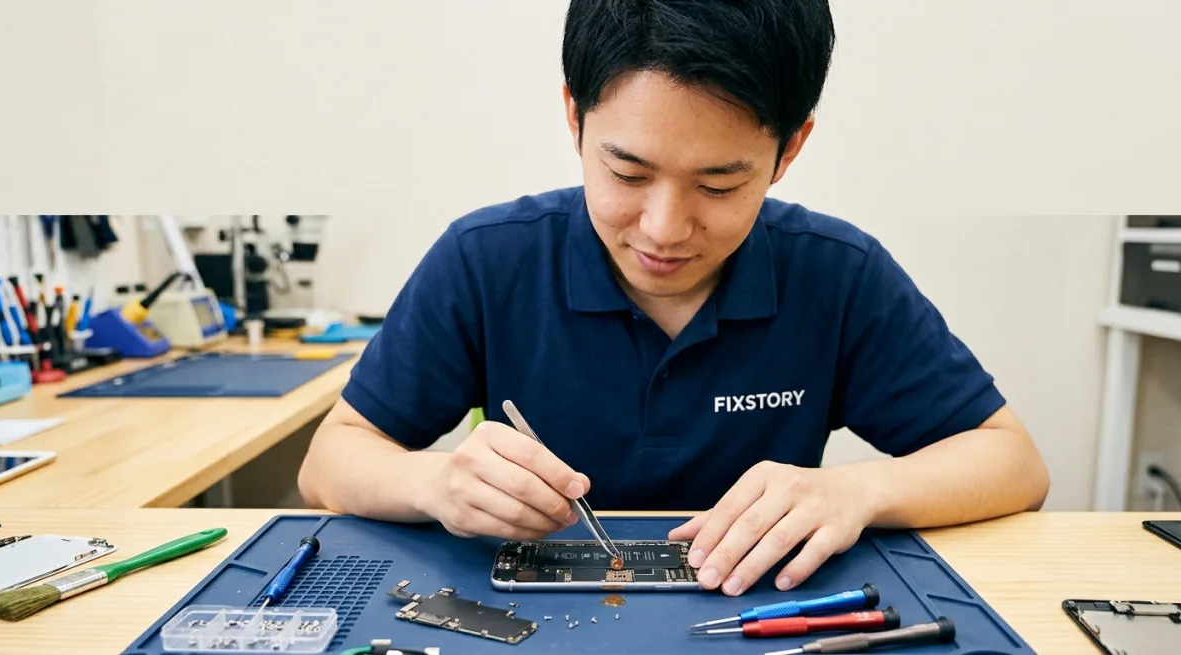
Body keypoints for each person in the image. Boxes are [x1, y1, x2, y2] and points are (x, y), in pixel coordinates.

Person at [298, 0, 1050, 598]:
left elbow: (1013, 461)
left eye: (719, 185)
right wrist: (432, 481)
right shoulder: (487, 259)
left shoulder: (836, 274)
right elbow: (330, 459)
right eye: (627, 174)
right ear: (574, 117)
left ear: (790, 149)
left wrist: (858, 489)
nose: (664, 229)